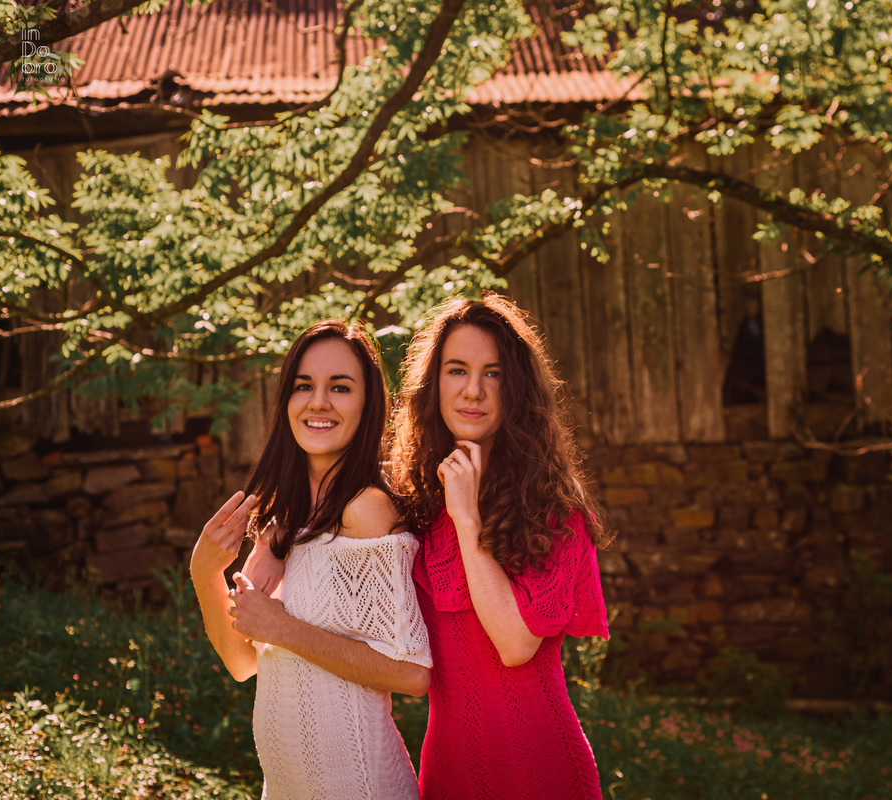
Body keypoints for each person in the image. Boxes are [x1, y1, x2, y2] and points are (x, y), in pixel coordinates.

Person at [190, 320, 432, 800]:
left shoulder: (365, 509)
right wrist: (204, 572)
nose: (318, 402)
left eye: (339, 387)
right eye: (304, 386)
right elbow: (243, 663)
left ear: (367, 406)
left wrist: (284, 628)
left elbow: (411, 674)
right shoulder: (285, 519)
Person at [388, 294, 613, 800]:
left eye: (493, 373)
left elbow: (515, 646)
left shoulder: (553, 510)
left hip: (543, 768)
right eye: (456, 370)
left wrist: (468, 521)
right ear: (433, 385)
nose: (473, 390)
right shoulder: (414, 506)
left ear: (517, 387)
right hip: (450, 772)